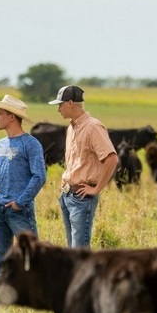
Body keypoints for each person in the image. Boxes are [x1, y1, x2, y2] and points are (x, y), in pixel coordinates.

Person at [0, 95, 47, 280]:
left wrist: (20, 202)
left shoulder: (30, 143)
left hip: (19, 210)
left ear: (11, 117)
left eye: (0, 113)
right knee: (1, 258)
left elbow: (39, 176)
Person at [48, 85, 118, 248]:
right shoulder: (71, 128)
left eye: (60, 104)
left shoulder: (93, 127)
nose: (58, 109)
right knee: (72, 248)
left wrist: (96, 189)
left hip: (81, 197)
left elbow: (111, 159)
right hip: (67, 194)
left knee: (79, 249)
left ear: (70, 103)